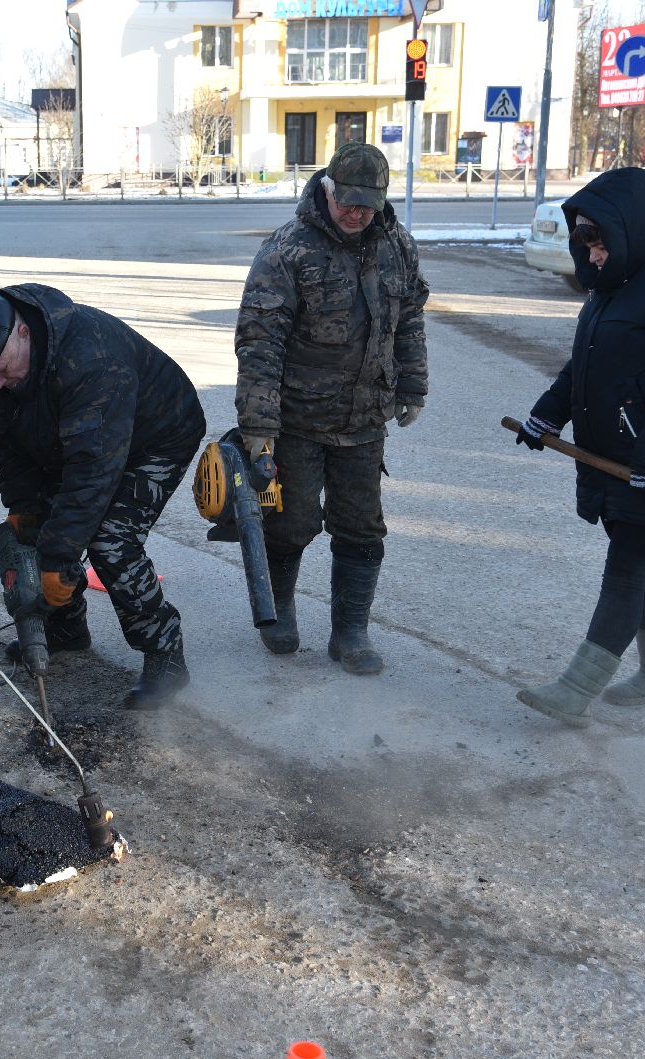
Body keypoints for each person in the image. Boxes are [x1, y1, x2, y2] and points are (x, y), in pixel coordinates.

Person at [514, 166, 645, 725]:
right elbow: (586, 364)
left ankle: (575, 690)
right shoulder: (615, 284)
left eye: (598, 236)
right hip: (621, 457)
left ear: (630, 226)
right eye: (581, 237)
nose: (590, 250)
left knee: (629, 564)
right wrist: (547, 413)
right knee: (644, 562)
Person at [0, 285, 205, 709]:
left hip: (156, 437)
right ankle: (66, 631)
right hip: (79, 438)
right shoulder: (1, 368)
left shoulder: (92, 362)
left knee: (109, 541)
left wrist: (61, 556)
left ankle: (166, 654)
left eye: (0, 370)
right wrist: (25, 508)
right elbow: (8, 446)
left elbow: (93, 473)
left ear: (23, 333)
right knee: (38, 529)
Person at [234, 142, 429, 674]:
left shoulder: (398, 245)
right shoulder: (288, 249)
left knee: (362, 528)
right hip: (296, 420)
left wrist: (413, 386)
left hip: (364, 420)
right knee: (290, 524)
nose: (356, 212)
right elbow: (259, 340)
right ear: (328, 189)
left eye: (368, 202)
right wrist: (257, 425)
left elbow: (407, 320)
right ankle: (281, 609)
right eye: (347, 200)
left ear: (383, 200)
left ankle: (351, 632)